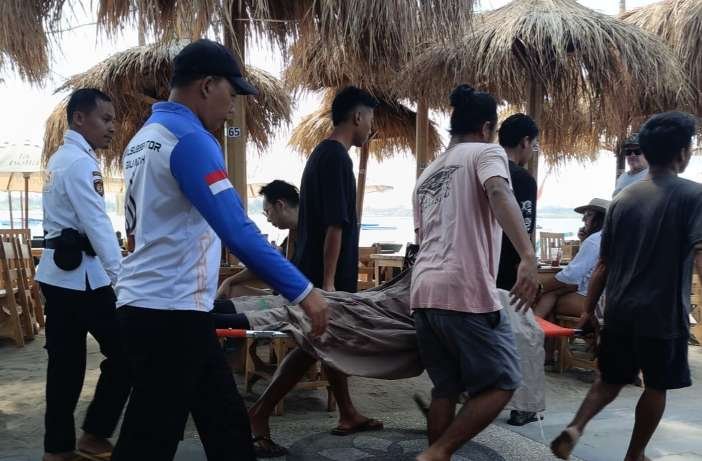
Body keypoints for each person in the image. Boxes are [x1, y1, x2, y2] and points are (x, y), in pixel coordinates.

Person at [111, 39, 328, 461]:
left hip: (157, 307)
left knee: (224, 423)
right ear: (208, 85)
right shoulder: (190, 139)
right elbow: (238, 229)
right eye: (233, 92)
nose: (233, 106)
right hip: (169, 314)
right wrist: (303, 291)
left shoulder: (142, 139)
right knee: (150, 440)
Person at [213, 268, 546, 457]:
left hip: (426, 294)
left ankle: (341, 414)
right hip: (421, 296)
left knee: (319, 321)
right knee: (318, 316)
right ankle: (221, 321)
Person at [551, 112, 702, 461]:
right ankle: (635, 454)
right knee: (657, 385)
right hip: (662, 316)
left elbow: (603, 264)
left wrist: (589, 310)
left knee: (610, 378)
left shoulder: (622, 200)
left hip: (619, 310)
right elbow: (699, 255)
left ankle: (576, 427)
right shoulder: (693, 196)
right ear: (683, 152)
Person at [411, 84, 539, 461]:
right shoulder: (487, 153)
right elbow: (500, 193)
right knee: (502, 383)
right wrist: (528, 257)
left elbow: (423, 238)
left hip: (423, 292)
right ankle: (438, 452)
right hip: (464, 289)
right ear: (486, 128)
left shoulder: (426, 174)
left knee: (445, 389)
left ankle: (437, 454)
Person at [35, 88, 130, 461]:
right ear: (79, 119)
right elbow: (98, 225)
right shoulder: (80, 163)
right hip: (83, 281)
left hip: (59, 278)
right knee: (127, 354)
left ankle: (57, 449)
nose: (112, 128)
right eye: (105, 119)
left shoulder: (61, 158)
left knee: (65, 367)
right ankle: (94, 435)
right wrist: (121, 280)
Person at [294, 85, 378, 293]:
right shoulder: (337, 158)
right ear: (358, 117)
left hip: (310, 275)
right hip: (325, 285)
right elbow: (335, 224)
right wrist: (329, 282)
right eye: (370, 120)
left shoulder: (321, 153)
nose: (370, 128)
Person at [217, 180, 300, 299]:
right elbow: (265, 265)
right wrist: (229, 281)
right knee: (231, 290)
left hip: (296, 300)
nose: (268, 219)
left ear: (280, 205)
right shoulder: (289, 239)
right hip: (281, 296)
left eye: (267, 212)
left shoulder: (311, 234)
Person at [533, 198, 608, 320]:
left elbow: (570, 276)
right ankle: (538, 332)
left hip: (598, 302)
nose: (583, 219)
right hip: (610, 299)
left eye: (588, 215)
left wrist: (540, 288)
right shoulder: (608, 237)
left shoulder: (594, 240)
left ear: (599, 219)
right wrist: (583, 241)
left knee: (548, 296)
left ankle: (533, 331)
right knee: (553, 293)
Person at [496, 113, 539, 292]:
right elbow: (524, 228)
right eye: (534, 146)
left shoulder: (482, 171)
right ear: (525, 142)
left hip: (474, 269)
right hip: (504, 275)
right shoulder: (522, 179)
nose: (531, 152)